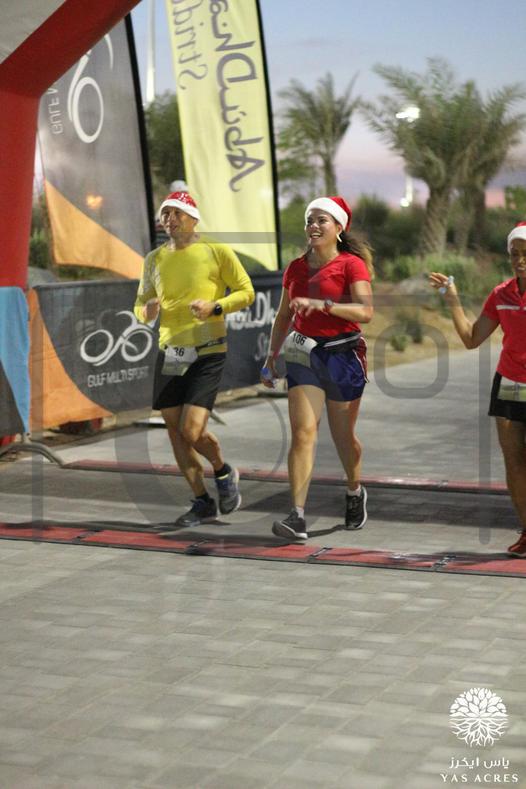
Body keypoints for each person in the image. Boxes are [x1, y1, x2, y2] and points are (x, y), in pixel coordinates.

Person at [134, 191, 255, 527]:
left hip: (208, 348)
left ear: (193, 217)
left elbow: (246, 292)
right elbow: (140, 303)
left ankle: (223, 470)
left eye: (177, 213)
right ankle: (202, 501)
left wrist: (216, 307)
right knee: (175, 432)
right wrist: (146, 311)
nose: (169, 220)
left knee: (192, 429)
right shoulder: (154, 259)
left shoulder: (216, 251)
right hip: (171, 350)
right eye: (165, 214)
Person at [262, 196, 374, 544]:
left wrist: (323, 305)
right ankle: (297, 515)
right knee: (303, 433)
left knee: (343, 438)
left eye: (321, 220)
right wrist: (271, 357)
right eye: (310, 220)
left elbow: (365, 312)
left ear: (339, 228)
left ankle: (354, 490)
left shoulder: (351, 265)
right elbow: (284, 315)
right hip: (303, 354)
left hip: (343, 355)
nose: (313, 226)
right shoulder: (295, 268)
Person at [429, 221, 526, 557]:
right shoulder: (501, 295)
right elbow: (472, 338)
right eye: (515, 254)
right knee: (514, 463)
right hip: (509, 383)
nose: (520, 260)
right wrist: (453, 300)